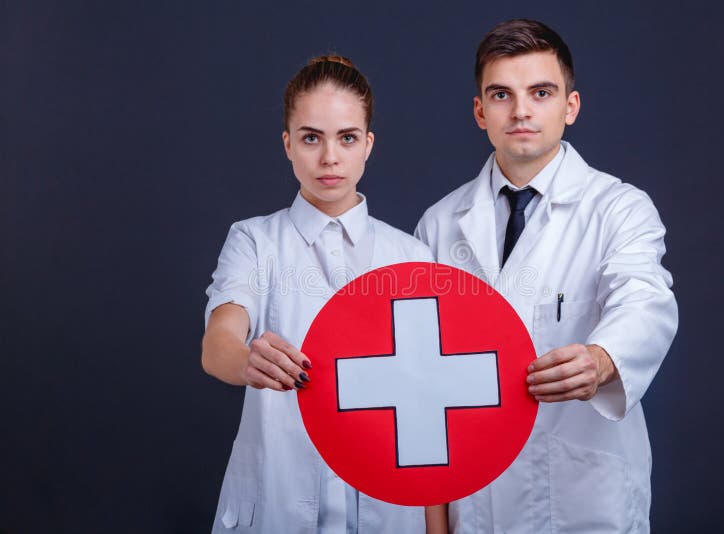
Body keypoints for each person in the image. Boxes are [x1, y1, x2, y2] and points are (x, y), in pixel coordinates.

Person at [416, 19, 678, 533]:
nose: (521, 111)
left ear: (570, 106)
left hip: (584, 499)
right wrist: (434, 514)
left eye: (541, 92)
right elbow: (424, 381)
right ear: (479, 111)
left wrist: (602, 360)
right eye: (500, 95)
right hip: (477, 499)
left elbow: (644, 301)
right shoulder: (439, 224)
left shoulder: (618, 209)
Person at [202, 55, 430, 533]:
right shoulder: (253, 240)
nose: (330, 158)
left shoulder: (412, 256)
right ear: (287, 144)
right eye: (311, 138)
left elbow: (428, 399)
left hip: (385, 505)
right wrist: (246, 361)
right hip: (278, 501)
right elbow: (220, 337)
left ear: (368, 145)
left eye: (347, 138)